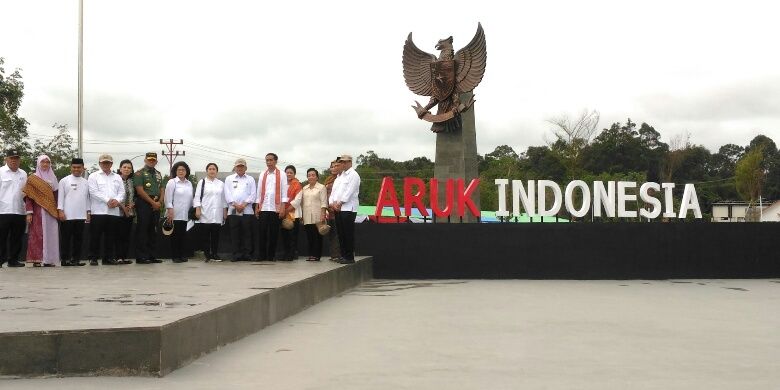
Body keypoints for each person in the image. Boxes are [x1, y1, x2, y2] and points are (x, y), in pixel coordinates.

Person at [87, 154, 125, 265]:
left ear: (111, 164)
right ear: (99, 163)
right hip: (98, 211)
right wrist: (108, 200)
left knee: (111, 236)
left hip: (113, 212)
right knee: (95, 236)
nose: (105, 164)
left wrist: (117, 200)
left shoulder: (117, 177)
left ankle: (108, 258)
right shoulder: (93, 176)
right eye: (103, 162)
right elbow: (93, 192)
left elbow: (122, 192)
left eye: (108, 162)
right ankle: (93, 258)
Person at [24, 155, 61, 267]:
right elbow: (28, 197)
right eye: (43, 162)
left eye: (47, 162)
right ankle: (37, 259)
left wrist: (58, 210)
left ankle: (49, 260)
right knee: (37, 235)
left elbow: (56, 195)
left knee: (51, 235)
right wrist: (29, 212)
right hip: (37, 212)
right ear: (38, 163)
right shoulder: (32, 178)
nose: (45, 164)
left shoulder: (53, 177)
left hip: (50, 212)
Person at [255, 153, 288, 261]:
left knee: (273, 233)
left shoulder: (282, 174)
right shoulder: (262, 174)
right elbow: (259, 192)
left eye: (271, 160)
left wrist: (283, 207)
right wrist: (257, 206)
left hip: (275, 208)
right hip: (264, 207)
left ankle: (271, 256)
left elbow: (284, 192)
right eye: (267, 160)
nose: (269, 162)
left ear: (275, 161)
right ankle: (261, 255)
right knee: (262, 232)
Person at [57, 158, 90, 266]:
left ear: (83, 168)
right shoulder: (64, 180)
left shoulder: (86, 182)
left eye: (79, 167)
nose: (76, 169)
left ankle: (76, 259)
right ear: (71, 167)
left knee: (78, 239)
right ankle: (65, 260)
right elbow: (60, 197)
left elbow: (87, 198)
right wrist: (60, 211)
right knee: (65, 239)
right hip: (67, 215)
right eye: (74, 167)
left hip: (81, 215)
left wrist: (88, 212)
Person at [329, 154, 361, 264]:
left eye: (345, 162)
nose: (343, 164)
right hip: (338, 208)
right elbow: (334, 192)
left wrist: (340, 202)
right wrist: (332, 203)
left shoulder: (354, 175)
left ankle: (349, 256)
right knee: (341, 233)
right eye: (342, 162)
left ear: (350, 162)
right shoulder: (340, 176)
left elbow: (349, 191)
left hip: (348, 208)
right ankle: (343, 255)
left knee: (348, 233)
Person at [133, 152, 164, 264]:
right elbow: (140, 191)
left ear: (156, 161)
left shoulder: (158, 173)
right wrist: (152, 202)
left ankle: (152, 255)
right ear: (145, 160)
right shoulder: (139, 173)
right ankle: (141, 256)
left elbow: (161, 188)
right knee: (143, 230)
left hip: (156, 203)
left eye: (153, 160)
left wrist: (160, 202)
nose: (151, 161)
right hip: (144, 203)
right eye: (149, 159)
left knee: (153, 230)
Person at [194, 163, 227, 262]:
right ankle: (207, 255)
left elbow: (224, 199)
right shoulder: (202, 182)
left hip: (217, 214)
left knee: (216, 235)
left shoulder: (221, 184)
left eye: (214, 169)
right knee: (206, 236)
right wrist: (197, 209)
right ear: (207, 171)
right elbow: (197, 196)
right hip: (205, 212)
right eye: (210, 169)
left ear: (217, 171)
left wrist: (225, 211)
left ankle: (215, 254)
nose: (212, 171)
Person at [0, 148, 28, 268]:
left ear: (19, 160)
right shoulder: (1, 171)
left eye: (16, 159)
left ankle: (13, 260)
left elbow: (26, 192)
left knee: (17, 237)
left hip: (20, 210)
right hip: (3, 210)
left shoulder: (23, 173)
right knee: (1, 237)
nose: (14, 161)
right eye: (11, 158)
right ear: (6, 159)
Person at [224, 158, 256, 261]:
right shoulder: (229, 178)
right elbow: (227, 193)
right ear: (235, 167)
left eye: (242, 166)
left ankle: (247, 254)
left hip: (247, 210)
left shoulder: (250, 179)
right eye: (238, 166)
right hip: (233, 210)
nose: (240, 168)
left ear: (245, 167)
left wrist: (244, 204)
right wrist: (235, 204)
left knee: (247, 233)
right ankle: (236, 254)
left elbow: (253, 194)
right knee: (235, 233)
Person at [295, 168, 327, 261]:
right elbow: (301, 203)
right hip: (307, 215)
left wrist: (323, 214)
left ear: (317, 177)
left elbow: (324, 202)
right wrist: (301, 215)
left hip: (318, 215)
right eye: (309, 175)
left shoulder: (321, 187)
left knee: (318, 236)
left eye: (313, 175)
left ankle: (317, 255)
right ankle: (311, 254)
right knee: (310, 236)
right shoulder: (304, 188)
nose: (311, 177)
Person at [165, 161, 194, 263]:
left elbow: (191, 199)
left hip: (185, 214)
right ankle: (175, 256)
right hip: (174, 213)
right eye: (179, 170)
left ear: (186, 171)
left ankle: (182, 254)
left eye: (183, 170)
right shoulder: (172, 182)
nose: (181, 171)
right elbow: (167, 198)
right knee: (175, 236)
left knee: (183, 236)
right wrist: (170, 210)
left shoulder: (189, 183)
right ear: (175, 171)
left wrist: (192, 211)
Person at [115, 159, 135, 265]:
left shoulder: (132, 181)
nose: (127, 169)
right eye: (124, 167)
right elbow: (114, 196)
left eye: (129, 168)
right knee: (119, 235)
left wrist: (132, 205)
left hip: (130, 212)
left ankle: (124, 257)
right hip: (118, 212)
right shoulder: (115, 180)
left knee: (127, 235)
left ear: (131, 170)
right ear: (120, 169)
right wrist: (123, 208)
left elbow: (136, 196)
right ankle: (118, 257)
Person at [280, 165, 302, 261]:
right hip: (282, 213)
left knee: (292, 235)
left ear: (294, 174)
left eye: (291, 172)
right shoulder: (281, 184)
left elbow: (298, 200)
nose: (288, 174)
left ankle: (291, 254)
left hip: (293, 213)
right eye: (287, 172)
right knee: (284, 235)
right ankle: (286, 253)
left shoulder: (297, 184)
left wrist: (286, 210)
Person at [324, 158, 342, 262]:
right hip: (328, 210)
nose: (333, 168)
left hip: (337, 209)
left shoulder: (341, 179)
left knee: (337, 234)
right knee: (331, 234)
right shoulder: (328, 179)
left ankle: (338, 255)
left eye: (336, 166)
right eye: (332, 166)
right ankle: (333, 254)